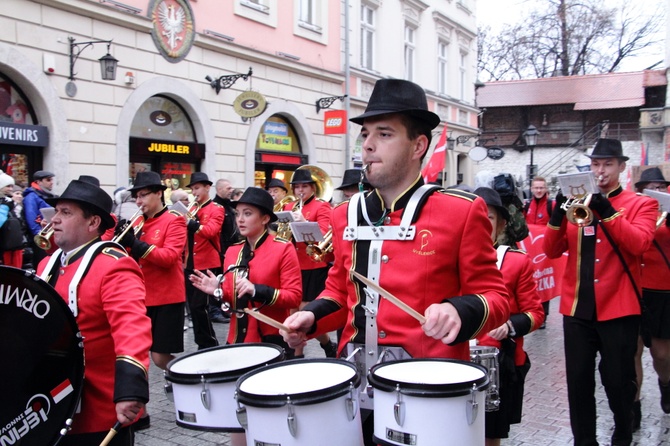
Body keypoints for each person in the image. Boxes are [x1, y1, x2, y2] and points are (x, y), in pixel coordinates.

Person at [281, 79, 510, 444]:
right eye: (366, 134)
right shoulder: (345, 215)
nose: (367, 145)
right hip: (355, 387)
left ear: (418, 145)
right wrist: (312, 317)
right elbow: (340, 291)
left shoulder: (461, 212)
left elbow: (497, 299)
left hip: (426, 390)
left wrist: (458, 310)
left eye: (384, 134)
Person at [543, 138, 658, 446]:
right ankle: (584, 441)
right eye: (596, 164)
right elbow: (551, 251)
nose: (601, 171)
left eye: (608, 164)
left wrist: (607, 211)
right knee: (578, 383)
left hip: (618, 308)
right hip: (577, 307)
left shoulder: (642, 204)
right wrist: (556, 216)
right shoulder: (578, 202)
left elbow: (639, 245)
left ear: (622, 167)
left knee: (618, 381)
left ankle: (622, 434)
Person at [36, 179, 152, 445]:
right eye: (57, 212)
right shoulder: (46, 264)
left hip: (96, 412)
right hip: (49, 407)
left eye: (66, 213)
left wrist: (129, 390)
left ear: (93, 223)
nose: (54, 220)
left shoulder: (113, 266)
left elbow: (131, 329)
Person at [190, 188, 302, 446]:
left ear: (265, 218)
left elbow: (294, 296)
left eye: (248, 213)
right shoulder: (232, 251)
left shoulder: (283, 248)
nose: (240, 219)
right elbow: (233, 298)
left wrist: (257, 290)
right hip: (236, 340)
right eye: (238, 213)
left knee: (267, 411)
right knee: (237, 411)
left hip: (269, 343)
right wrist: (217, 291)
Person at [474, 187, 545, 446]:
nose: (480, 222)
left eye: (489, 217)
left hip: (499, 362)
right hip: (457, 358)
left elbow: (535, 313)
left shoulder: (516, 262)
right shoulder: (446, 260)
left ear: (501, 224)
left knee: (490, 435)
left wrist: (509, 325)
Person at [283, 168, 338, 358]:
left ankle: (307, 350)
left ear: (313, 188)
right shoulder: (289, 208)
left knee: (305, 309)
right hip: (292, 264)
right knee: (292, 310)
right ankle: (313, 349)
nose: (300, 190)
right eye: (297, 187)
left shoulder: (321, 207)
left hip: (314, 265)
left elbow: (322, 236)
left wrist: (303, 221)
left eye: (304, 186)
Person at [632, 166, 670, 429]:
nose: (655, 192)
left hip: (663, 291)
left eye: (659, 187)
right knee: (630, 352)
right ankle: (633, 407)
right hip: (634, 288)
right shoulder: (635, 209)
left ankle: (666, 384)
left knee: (662, 354)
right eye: (649, 188)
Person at [183, 172, 224, 349]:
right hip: (189, 261)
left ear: (207, 187)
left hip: (207, 261)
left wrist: (191, 223)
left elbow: (210, 231)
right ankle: (201, 342)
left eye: (197, 188)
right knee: (193, 308)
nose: (194, 192)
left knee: (200, 306)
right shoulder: (191, 208)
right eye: (192, 189)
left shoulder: (216, 208)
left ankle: (209, 343)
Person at [523, 176, 554, 328]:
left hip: (544, 250)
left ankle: (544, 314)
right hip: (529, 250)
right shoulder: (527, 205)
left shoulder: (551, 205)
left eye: (541, 187)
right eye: (536, 188)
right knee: (530, 280)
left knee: (544, 279)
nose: (539, 190)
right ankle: (532, 310)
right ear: (531, 189)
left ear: (546, 188)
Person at [211, 178, 241, 323]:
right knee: (218, 279)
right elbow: (219, 232)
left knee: (228, 279)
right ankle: (215, 310)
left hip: (231, 247)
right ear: (219, 189)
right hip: (222, 249)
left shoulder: (229, 206)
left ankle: (225, 307)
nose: (231, 190)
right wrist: (222, 250)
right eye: (228, 188)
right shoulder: (216, 206)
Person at [23, 170, 57, 266]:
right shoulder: (31, 197)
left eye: (51, 180)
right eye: (48, 180)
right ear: (38, 182)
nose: (51, 182)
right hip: (41, 238)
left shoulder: (45, 195)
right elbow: (31, 219)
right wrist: (40, 237)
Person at [0, 172, 24, 268]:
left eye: (11, 186)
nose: (10, 189)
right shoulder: (6, 204)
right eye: (7, 186)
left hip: (14, 247)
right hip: (4, 248)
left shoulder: (9, 202)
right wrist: (5, 208)